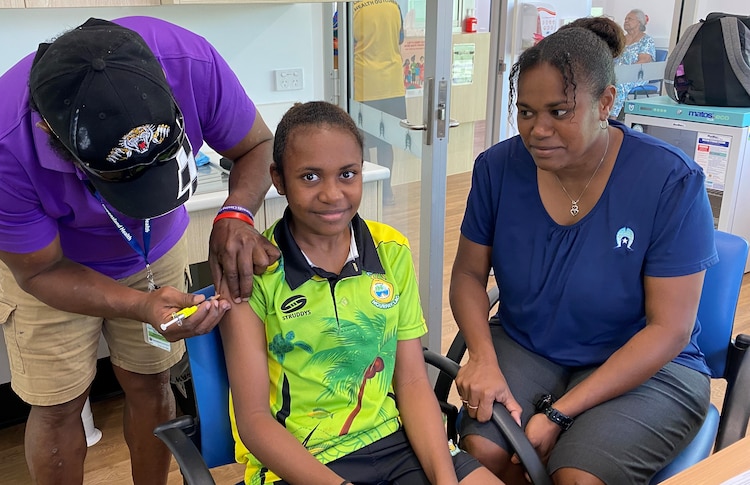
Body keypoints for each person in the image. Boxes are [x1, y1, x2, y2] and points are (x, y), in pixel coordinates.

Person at [0, 16, 279, 484]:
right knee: (58, 404)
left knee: (152, 384)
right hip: (54, 269)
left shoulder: (186, 61)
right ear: (50, 132)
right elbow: (39, 271)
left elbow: (258, 145)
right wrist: (139, 305)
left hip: (155, 251)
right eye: (123, 182)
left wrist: (237, 214)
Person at [449, 17, 717, 485]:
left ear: (606, 103)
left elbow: (670, 329)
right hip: (531, 344)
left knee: (576, 476)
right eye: (527, 111)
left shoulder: (669, 181)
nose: (538, 130)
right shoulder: (497, 168)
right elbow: (469, 276)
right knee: (488, 452)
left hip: (648, 364)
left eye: (559, 111)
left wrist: (559, 414)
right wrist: (483, 358)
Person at [219, 101, 502, 485]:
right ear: (279, 179)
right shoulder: (253, 270)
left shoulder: (391, 251)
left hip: (396, 440)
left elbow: (413, 382)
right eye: (310, 177)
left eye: (347, 174)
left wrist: (444, 479)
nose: (332, 194)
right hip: (302, 459)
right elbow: (253, 422)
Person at [352, 0, 408, 205]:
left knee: (362, 142)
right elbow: (400, 38)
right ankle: (386, 192)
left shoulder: (354, 8)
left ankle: (367, 192)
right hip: (392, 83)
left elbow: (341, 42)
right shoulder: (394, 5)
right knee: (387, 142)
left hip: (365, 84)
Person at [610, 9, 657, 119]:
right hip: (617, 74)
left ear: (639, 22)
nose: (626, 21)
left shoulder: (646, 40)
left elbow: (644, 60)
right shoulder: (620, 39)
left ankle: (612, 118)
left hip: (637, 75)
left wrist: (626, 72)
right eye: (625, 19)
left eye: (629, 19)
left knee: (619, 84)